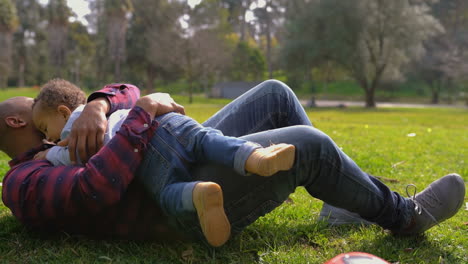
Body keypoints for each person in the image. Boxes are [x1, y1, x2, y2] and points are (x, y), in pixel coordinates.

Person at [0, 80, 465, 247]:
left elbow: (125, 90)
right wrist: (144, 114)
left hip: (171, 149)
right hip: (173, 201)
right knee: (310, 145)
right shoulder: (22, 181)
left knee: (275, 94)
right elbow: (94, 191)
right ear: (19, 119)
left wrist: (101, 104)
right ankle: (406, 216)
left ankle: (338, 203)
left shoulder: (72, 121)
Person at [30, 79, 295, 247]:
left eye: (44, 128)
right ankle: (255, 157)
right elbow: (128, 90)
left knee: (168, 192)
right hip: (167, 124)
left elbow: (71, 156)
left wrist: (48, 155)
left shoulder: (77, 126)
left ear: (63, 112)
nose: (46, 137)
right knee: (207, 141)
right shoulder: (109, 107)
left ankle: (199, 193)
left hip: (147, 157)